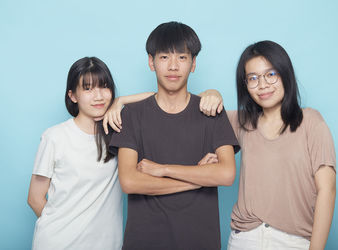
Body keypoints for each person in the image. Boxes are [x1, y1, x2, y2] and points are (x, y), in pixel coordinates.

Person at [108, 21, 240, 250]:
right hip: (144, 241)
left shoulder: (211, 111)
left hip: (200, 242)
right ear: (151, 62)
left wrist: (163, 169)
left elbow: (226, 174)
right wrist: (199, 180)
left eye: (182, 57)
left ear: (193, 63)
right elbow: (129, 181)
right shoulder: (131, 115)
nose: (173, 66)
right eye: (164, 57)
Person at [198, 41, 336, 250]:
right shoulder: (242, 122)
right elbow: (183, 108)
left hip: (294, 242)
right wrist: (211, 92)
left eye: (270, 74)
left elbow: (327, 190)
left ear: (285, 74)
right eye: (253, 78)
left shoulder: (311, 121)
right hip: (243, 240)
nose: (262, 85)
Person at [27, 57, 156, 250]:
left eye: (104, 87)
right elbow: (35, 198)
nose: (98, 96)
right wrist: (65, 230)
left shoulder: (119, 133)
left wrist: (120, 101)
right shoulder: (55, 137)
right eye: (87, 88)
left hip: (106, 244)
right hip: (57, 243)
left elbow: (159, 99)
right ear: (73, 96)